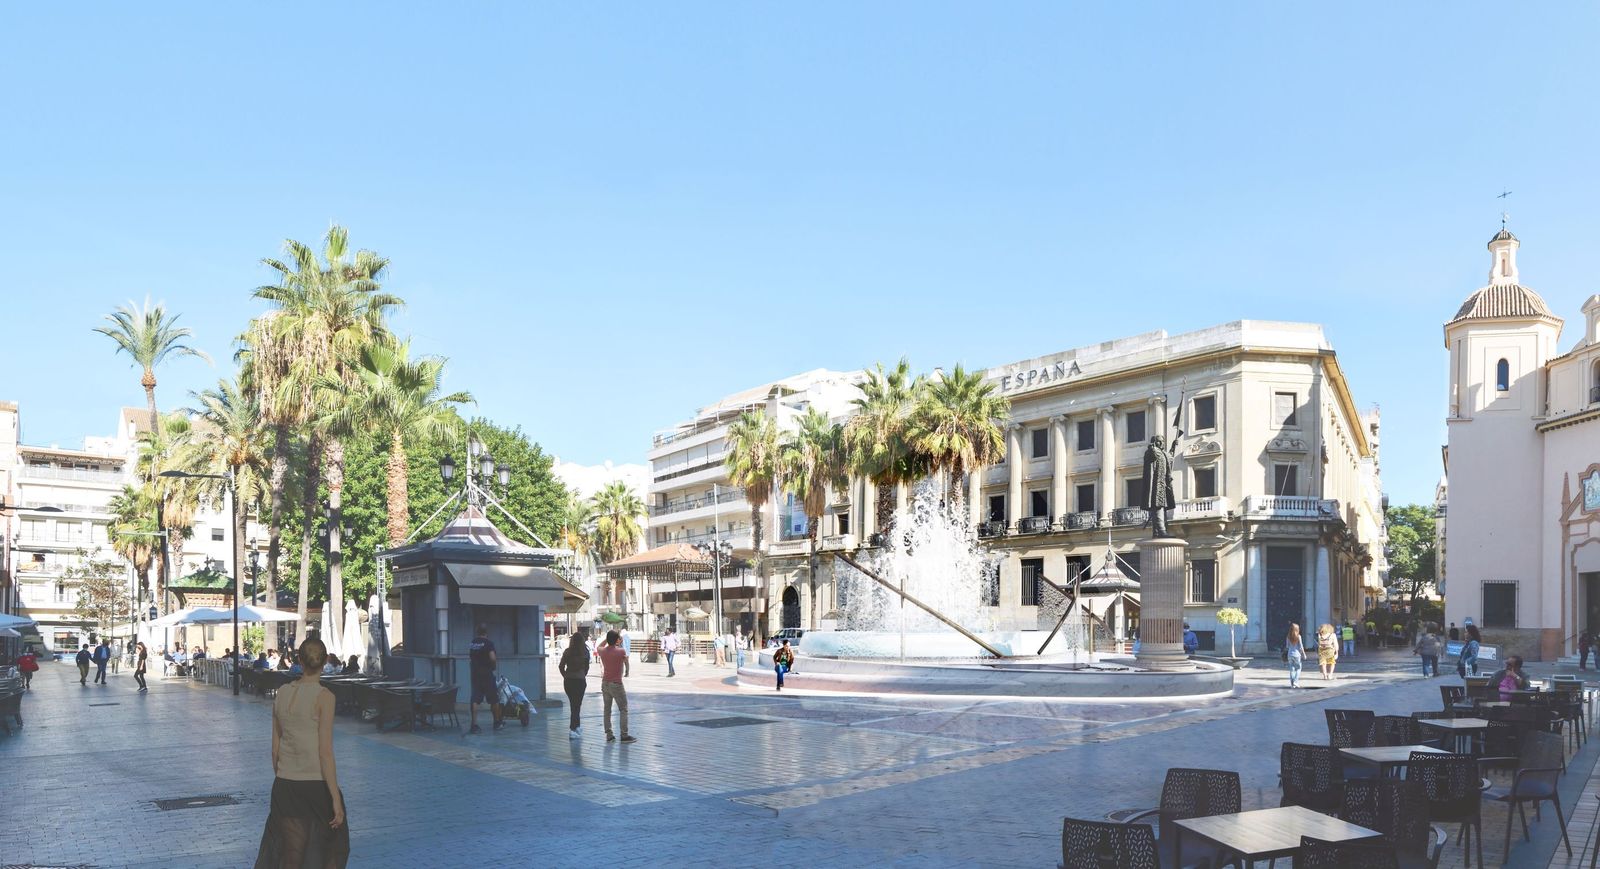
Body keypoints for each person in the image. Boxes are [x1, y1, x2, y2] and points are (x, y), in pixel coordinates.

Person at [254, 636, 350, 868]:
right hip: (316, 784)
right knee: (328, 850)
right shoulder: (325, 697)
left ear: (299, 660)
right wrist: (335, 799)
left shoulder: (283, 692)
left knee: (291, 853)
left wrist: (283, 774)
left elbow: (275, 747)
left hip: (286, 784)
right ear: (326, 661)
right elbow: (325, 751)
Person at [596, 630, 635, 743]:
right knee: (623, 709)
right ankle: (624, 735)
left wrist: (607, 640)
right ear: (617, 640)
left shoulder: (602, 651)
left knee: (607, 709)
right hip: (616, 684)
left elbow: (599, 646)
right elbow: (626, 661)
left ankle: (609, 735)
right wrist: (619, 643)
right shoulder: (621, 651)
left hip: (605, 683)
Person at [467, 624, 502, 734]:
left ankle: (474, 725)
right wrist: (494, 666)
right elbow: (492, 657)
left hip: (475, 674)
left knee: (475, 699)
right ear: (486, 632)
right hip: (487, 674)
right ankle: (496, 722)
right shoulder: (488, 643)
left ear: (477, 632)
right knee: (494, 699)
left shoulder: (473, 643)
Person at [558, 627, 590, 739]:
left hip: (568, 681)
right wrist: (582, 674)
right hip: (580, 681)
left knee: (573, 704)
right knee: (577, 705)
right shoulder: (585, 652)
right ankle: (574, 728)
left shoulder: (567, 652)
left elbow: (561, 666)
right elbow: (587, 667)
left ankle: (576, 727)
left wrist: (565, 675)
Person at [1284, 624, 1304, 688]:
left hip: (1290, 654)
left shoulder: (1288, 637)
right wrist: (1304, 654)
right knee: (1298, 668)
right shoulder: (1299, 636)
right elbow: (1301, 647)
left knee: (1292, 669)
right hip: (1297, 655)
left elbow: (1287, 646)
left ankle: (1292, 684)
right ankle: (1296, 682)